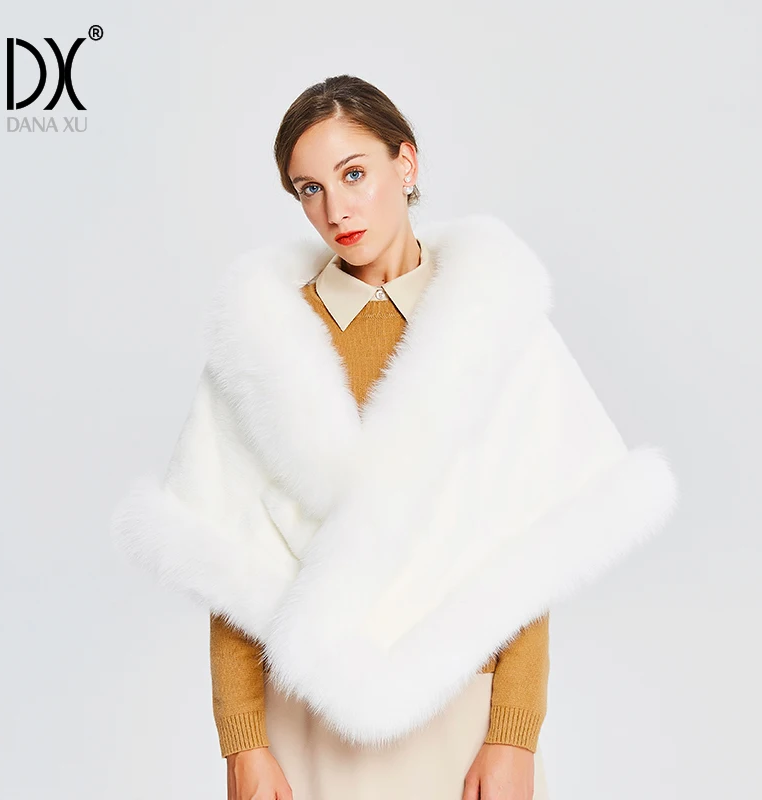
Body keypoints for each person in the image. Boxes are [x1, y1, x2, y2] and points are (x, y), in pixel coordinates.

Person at [111, 75, 678, 800]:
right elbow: (228, 560)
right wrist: (243, 743)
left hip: (463, 714)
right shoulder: (262, 346)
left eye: (354, 174)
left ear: (404, 163)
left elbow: (531, 549)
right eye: (310, 189)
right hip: (305, 718)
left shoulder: (493, 325)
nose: (336, 209)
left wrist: (513, 733)